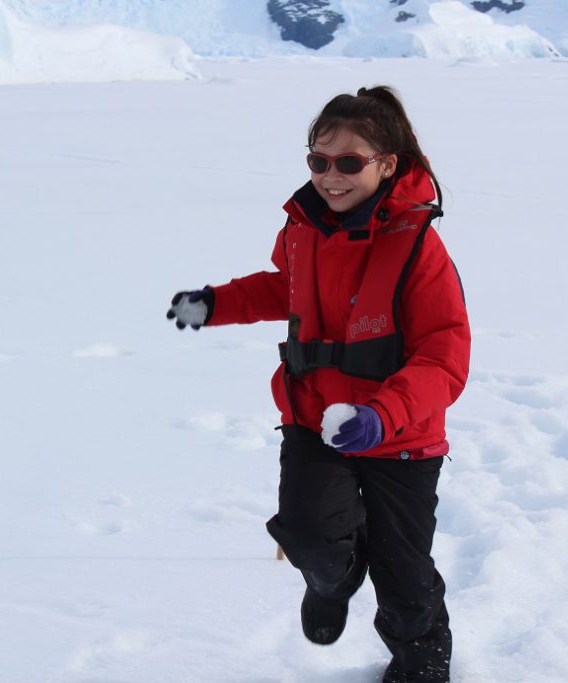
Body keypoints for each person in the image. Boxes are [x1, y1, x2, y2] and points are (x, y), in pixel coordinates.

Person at [166, 86, 470, 683]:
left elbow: (444, 355)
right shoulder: (304, 227)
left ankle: (421, 664)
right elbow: (286, 287)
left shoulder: (417, 247)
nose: (332, 177)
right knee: (310, 537)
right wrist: (216, 303)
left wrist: (382, 415)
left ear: (387, 164)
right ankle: (332, 581)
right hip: (313, 418)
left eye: (350, 163)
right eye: (319, 161)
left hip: (400, 438)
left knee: (404, 573)